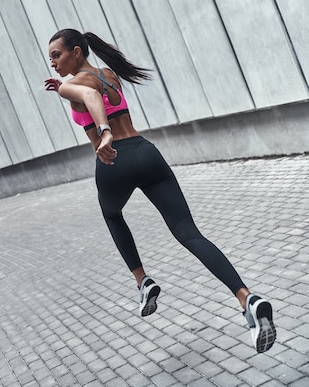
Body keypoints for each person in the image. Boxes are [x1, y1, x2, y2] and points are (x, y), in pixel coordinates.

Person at [44, 28, 276, 353]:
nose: (52, 62)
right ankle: (247, 299)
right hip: (146, 151)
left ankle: (143, 281)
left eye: (57, 54)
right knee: (188, 233)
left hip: (114, 161)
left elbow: (91, 98)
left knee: (112, 215)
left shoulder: (73, 85)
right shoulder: (109, 73)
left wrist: (105, 133)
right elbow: (99, 91)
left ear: (77, 51)